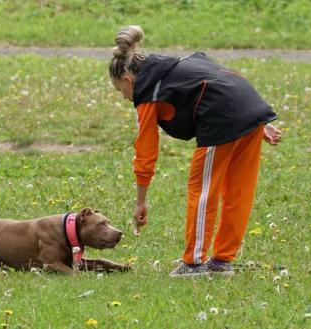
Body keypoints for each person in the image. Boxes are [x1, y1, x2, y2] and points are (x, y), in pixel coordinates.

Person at [109, 25, 282, 277]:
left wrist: (140, 202)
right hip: (249, 107)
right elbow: (221, 80)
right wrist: (257, 122)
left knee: (202, 189)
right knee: (238, 191)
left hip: (223, 118)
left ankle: (194, 264)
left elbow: (146, 152)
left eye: (120, 91)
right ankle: (222, 262)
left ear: (128, 79)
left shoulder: (147, 92)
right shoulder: (179, 65)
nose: (124, 97)